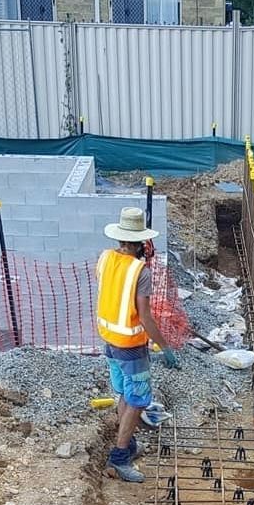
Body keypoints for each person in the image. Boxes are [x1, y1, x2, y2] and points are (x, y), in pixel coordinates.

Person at [96, 206, 178, 483]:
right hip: (130, 345)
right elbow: (145, 316)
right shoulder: (140, 271)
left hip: (109, 339)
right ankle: (119, 458)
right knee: (138, 400)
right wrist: (165, 347)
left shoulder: (106, 259)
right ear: (141, 242)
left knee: (125, 394)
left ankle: (128, 444)